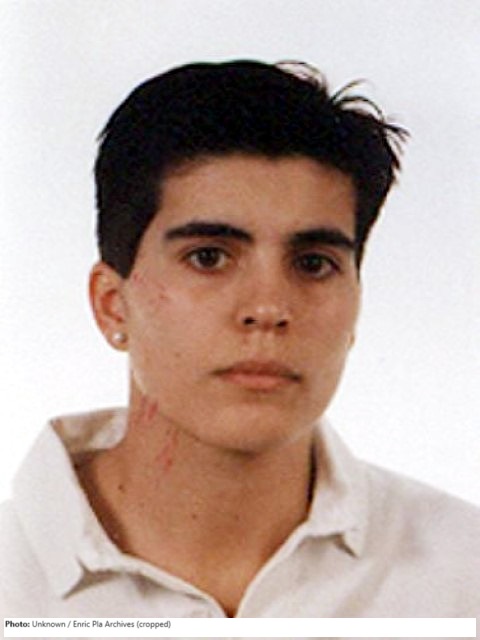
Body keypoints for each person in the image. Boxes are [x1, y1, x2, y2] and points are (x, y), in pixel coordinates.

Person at [1, 60, 479, 624]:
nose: (269, 309)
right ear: (112, 304)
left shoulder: (462, 572)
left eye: (313, 263)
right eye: (209, 257)